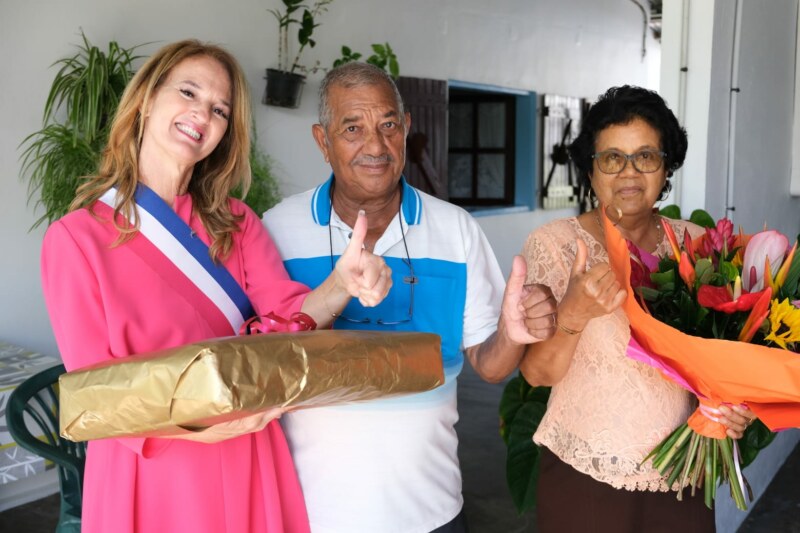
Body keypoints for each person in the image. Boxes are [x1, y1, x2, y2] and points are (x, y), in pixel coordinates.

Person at [40, 40, 391, 533]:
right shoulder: (76, 239)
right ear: (145, 99)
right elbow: (94, 397)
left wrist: (342, 283)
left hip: (246, 445)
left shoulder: (237, 223)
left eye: (220, 109)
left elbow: (291, 318)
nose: (202, 114)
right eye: (188, 92)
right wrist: (197, 432)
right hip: (149, 467)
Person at [262, 61, 558, 533]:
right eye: (353, 128)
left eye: (388, 125)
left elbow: (490, 364)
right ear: (323, 141)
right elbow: (258, 361)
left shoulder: (455, 230)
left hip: (432, 512)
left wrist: (512, 333)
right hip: (310, 515)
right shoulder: (277, 232)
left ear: (406, 130)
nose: (375, 146)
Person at [517, 85, 756, 532]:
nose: (629, 172)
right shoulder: (557, 245)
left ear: (666, 168)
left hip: (684, 472)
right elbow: (536, 374)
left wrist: (730, 403)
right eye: (611, 158)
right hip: (586, 474)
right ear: (591, 171)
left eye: (646, 156)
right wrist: (573, 313)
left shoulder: (696, 246)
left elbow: (722, 352)